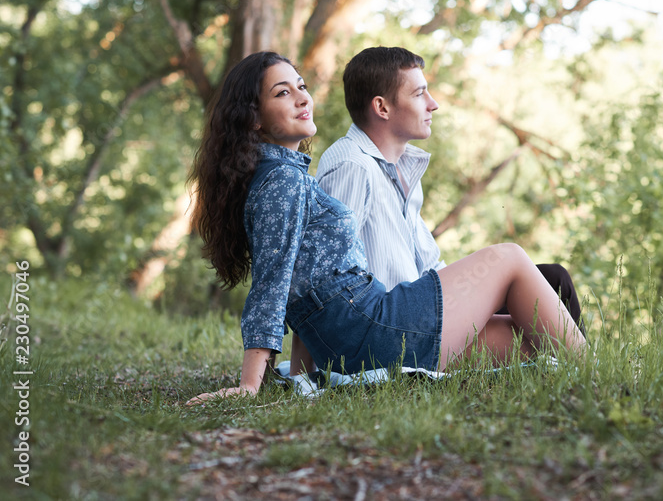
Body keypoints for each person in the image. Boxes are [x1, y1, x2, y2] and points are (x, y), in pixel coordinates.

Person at [186, 52, 586, 405]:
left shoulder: (286, 177)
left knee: (529, 338)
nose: (303, 98)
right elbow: (273, 284)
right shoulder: (284, 183)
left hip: (365, 331)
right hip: (372, 325)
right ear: (253, 118)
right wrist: (250, 384)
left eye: (301, 87)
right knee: (510, 257)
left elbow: (303, 287)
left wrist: (304, 374)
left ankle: (591, 379)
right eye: (282, 93)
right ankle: (598, 378)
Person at [315, 46, 584, 326]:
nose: (433, 104)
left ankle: (578, 367)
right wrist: (303, 366)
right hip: (397, 322)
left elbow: (430, 266)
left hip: (426, 304)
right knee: (520, 274)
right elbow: (325, 276)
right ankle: (578, 364)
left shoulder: (402, 167)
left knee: (554, 280)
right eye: (419, 94)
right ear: (382, 107)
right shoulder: (351, 165)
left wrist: (475, 295)